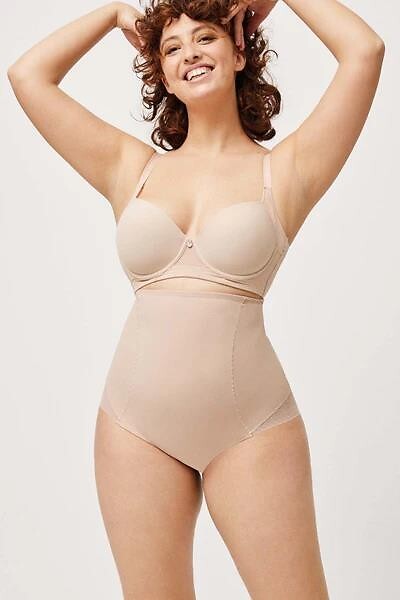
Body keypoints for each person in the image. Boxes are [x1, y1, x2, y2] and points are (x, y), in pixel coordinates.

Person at [7, 0, 384, 597]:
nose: (189, 54)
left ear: (239, 53)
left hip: (251, 428)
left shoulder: (287, 171)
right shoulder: (129, 167)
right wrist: (113, 15)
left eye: (205, 37)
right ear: (160, 72)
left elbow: (364, 51)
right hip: (133, 428)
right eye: (172, 47)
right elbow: (28, 76)